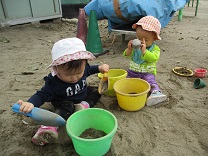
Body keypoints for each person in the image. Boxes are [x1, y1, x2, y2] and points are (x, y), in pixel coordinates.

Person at [17, 37, 109, 146]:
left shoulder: (83, 69)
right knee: (67, 108)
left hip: (82, 95)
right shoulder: (54, 83)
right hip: (64, 102)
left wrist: (100, 67)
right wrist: (30, 103)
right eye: (69, 75)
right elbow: (41, 95)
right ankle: (48, 128)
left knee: (96, 91)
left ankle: (83, 105)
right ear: (57, 69)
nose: (75, 78)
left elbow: (90, 69)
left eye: (79, 73)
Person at [123, 15, 167, 106]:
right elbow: (126, 55)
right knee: (126, 81)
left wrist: (144, 51)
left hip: (147, 73)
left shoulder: (156, 49)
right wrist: (129, 49)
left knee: (150, 82)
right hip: (133, 72)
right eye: (138, 38)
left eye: (146, 40)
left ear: (154, 38)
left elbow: (153, 58)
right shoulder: (136, 47)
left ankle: (156, 93)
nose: (141, 42)